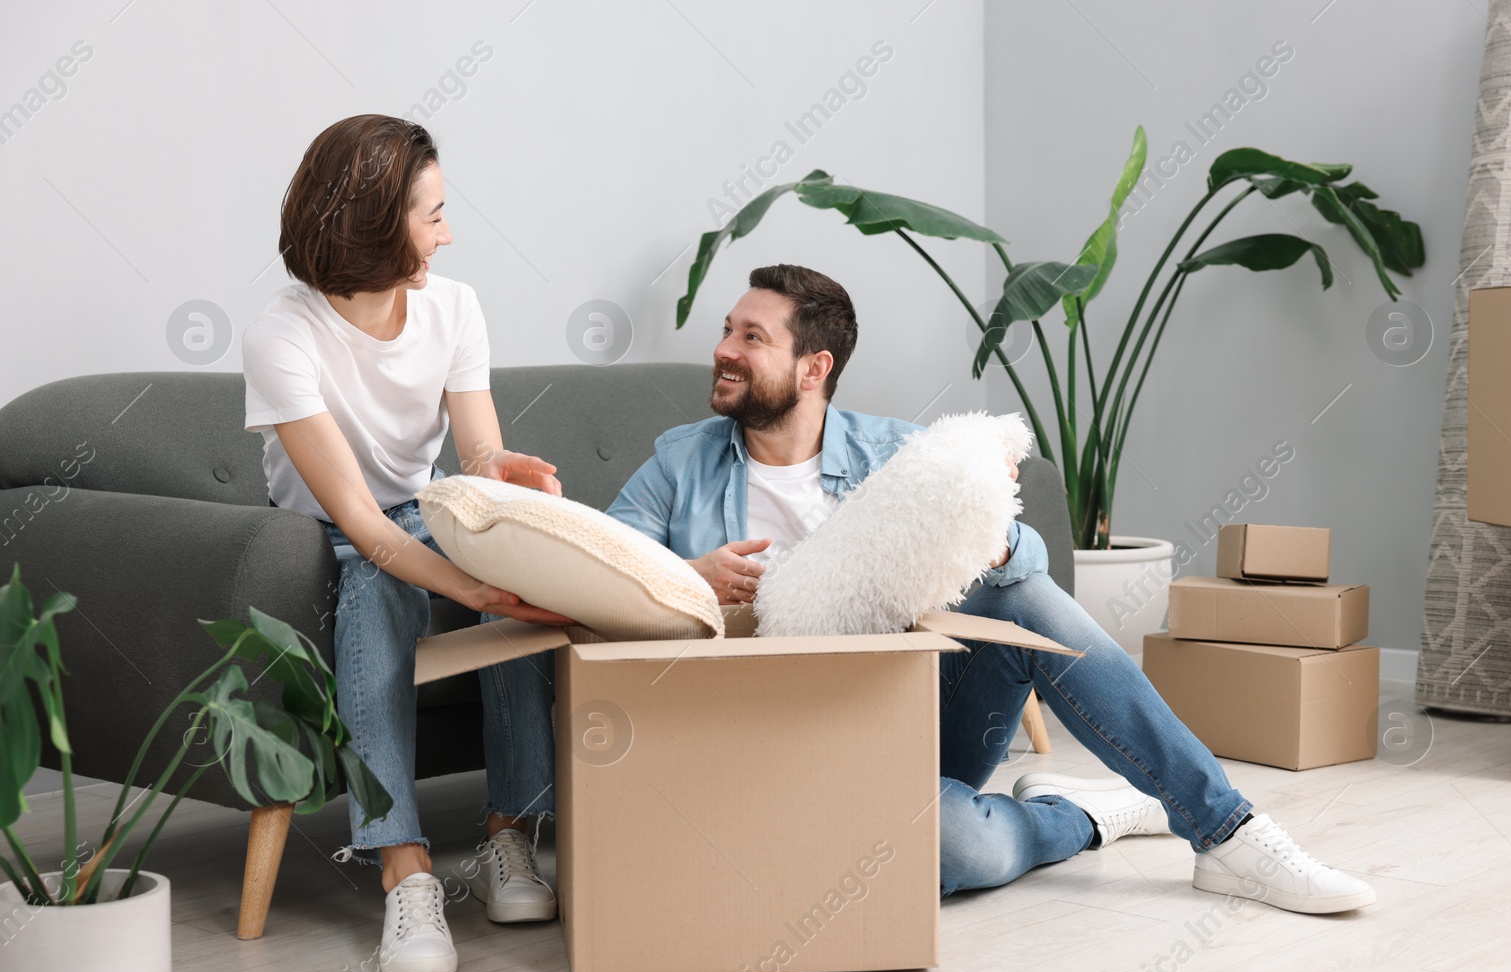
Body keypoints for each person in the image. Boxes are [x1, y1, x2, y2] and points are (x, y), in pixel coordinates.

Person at [489, 263, 1376, 915]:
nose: (722, 350)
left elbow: (1024, 567)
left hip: (905, 724)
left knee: (1025, 596)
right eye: (727, 329)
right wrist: (692, 575)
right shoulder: (681, 461)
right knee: (959, 847)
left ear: (814, 368)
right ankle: (1081, 816)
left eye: (750, 337)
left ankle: (1228, 833)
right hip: (757, 747)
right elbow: (605, 570)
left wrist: (986, 535)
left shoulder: (896, 458)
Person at [242, 115, 567, 972]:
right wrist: (475, 587)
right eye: (431, 214)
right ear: (370, 222)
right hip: (317, 535)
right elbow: (359, 521)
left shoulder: (454, 307)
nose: (447, 233)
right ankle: (404, 867)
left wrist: (509, 474)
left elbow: (474, 461)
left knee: (522, 570)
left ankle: (511, 834)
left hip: (423, 510)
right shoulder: (283, 334)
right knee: (377, 590)